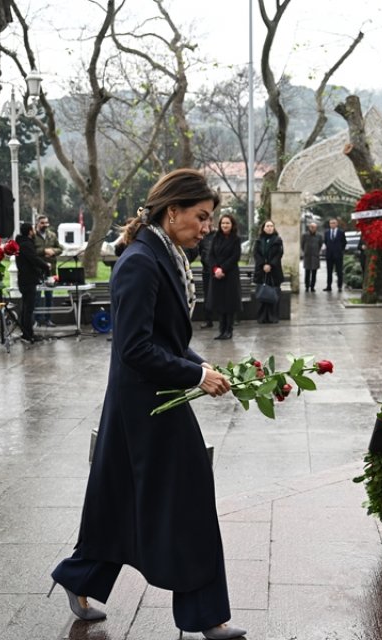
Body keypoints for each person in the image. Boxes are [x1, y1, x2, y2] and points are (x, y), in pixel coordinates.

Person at [51, 168, 246, 640]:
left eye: (209, 219)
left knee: (118, 503)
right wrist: (198, 374)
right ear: (171, 210)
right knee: (190, 501)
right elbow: (134, 349)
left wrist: (206, 368)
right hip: (143, 407)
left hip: (149, 400)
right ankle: (206, 616)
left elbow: (166, 339)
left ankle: (78, 577)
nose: (205, 226)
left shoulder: (166, 254)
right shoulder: (140, 261)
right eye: (200, 217)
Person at [207, 214, 242, 340]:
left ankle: (229, 330)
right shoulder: (216, 238)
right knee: (220, 303)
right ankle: (221, 330)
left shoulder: (236, 239)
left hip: (230, 275)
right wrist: (215, 269)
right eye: (223, 223)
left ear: (232, 225)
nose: (225, 225)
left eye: (227, 223)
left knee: (229, 304)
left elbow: (235, 256)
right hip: (217, 276)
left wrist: (223, 269)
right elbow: (210, 255)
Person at [14, 221, 48, 342]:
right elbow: (33, 259)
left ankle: (26, 332)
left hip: (24, 279)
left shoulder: (21, 243)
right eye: (33, 230)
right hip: (28, 280)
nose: (34, 232)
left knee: (26, 308)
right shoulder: (26, 244)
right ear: (29, 232)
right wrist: (45, 266)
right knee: (28, 309)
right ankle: (28, 334)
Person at [32, 215, 63, 327]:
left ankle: (48, 319)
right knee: (37, 296)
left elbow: (60, 249)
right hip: (38, 270)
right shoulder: (33, 236)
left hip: (51, 271)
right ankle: (38, 320)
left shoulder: (52, 235)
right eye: (42, 223)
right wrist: (44, 251)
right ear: (37, 223)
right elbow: (32, 251)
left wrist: (53, 251)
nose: (45, 225)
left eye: (46, 223)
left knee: (49, 295)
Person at [252, 219, 284, 324]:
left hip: (274, 272)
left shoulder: (278, 240)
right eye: (267, 226)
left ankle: (273, 317)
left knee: (273, 294)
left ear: (274, 228)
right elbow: (256, 254)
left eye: (271, 226)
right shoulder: (259, 240)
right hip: (261, 272)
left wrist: (270, 265)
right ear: (263, 228)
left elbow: (279, 254)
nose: (269, 228)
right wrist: (263, 265)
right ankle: (262, 317)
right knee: (262, 294)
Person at [197, 232, 216, 327]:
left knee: (224, 295)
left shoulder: (218, 236)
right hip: (207, 272)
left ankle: (230, 320)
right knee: (207, 296)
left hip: (218, 271)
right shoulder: (202, 237)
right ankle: (208, 320)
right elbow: (200, 251)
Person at [322, 218, 345, 292]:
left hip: (338, 255)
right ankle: (329, 286)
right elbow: (326, 242)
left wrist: (340, 250)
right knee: (329, 272)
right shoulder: (327, 232)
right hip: (329, 255)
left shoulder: (341, 232)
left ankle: (340, 286)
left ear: (337, 224)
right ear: (329, 224)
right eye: (331, 223)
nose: (332, 224)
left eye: (334, 223)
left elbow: (344, 242)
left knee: (339, 271)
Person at [300, 221, 321, 292]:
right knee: (307, 272)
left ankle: (312, 286)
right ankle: (306, 286)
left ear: (316, 228)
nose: (312, 228)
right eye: (311, 227)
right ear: (309, 227)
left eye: (314, 227)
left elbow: (320, 245)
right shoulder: (305, 235)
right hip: (307, 256)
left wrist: (316, 251)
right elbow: (302, 245)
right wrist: (305, 251)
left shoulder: (319, 235)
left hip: (315, 256)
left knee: (314, 273)